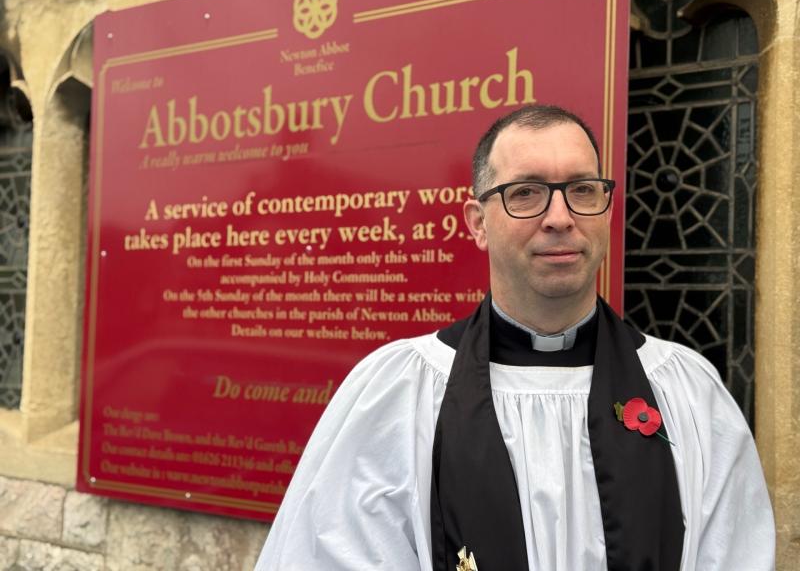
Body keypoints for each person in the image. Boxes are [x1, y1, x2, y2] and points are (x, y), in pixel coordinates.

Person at [254, 105, 775, 571]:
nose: (560, 218)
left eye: (582, 190)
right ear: (478, 223)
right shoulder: (398, 394)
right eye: (525, 192)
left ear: (607, 208)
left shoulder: (688, 392)